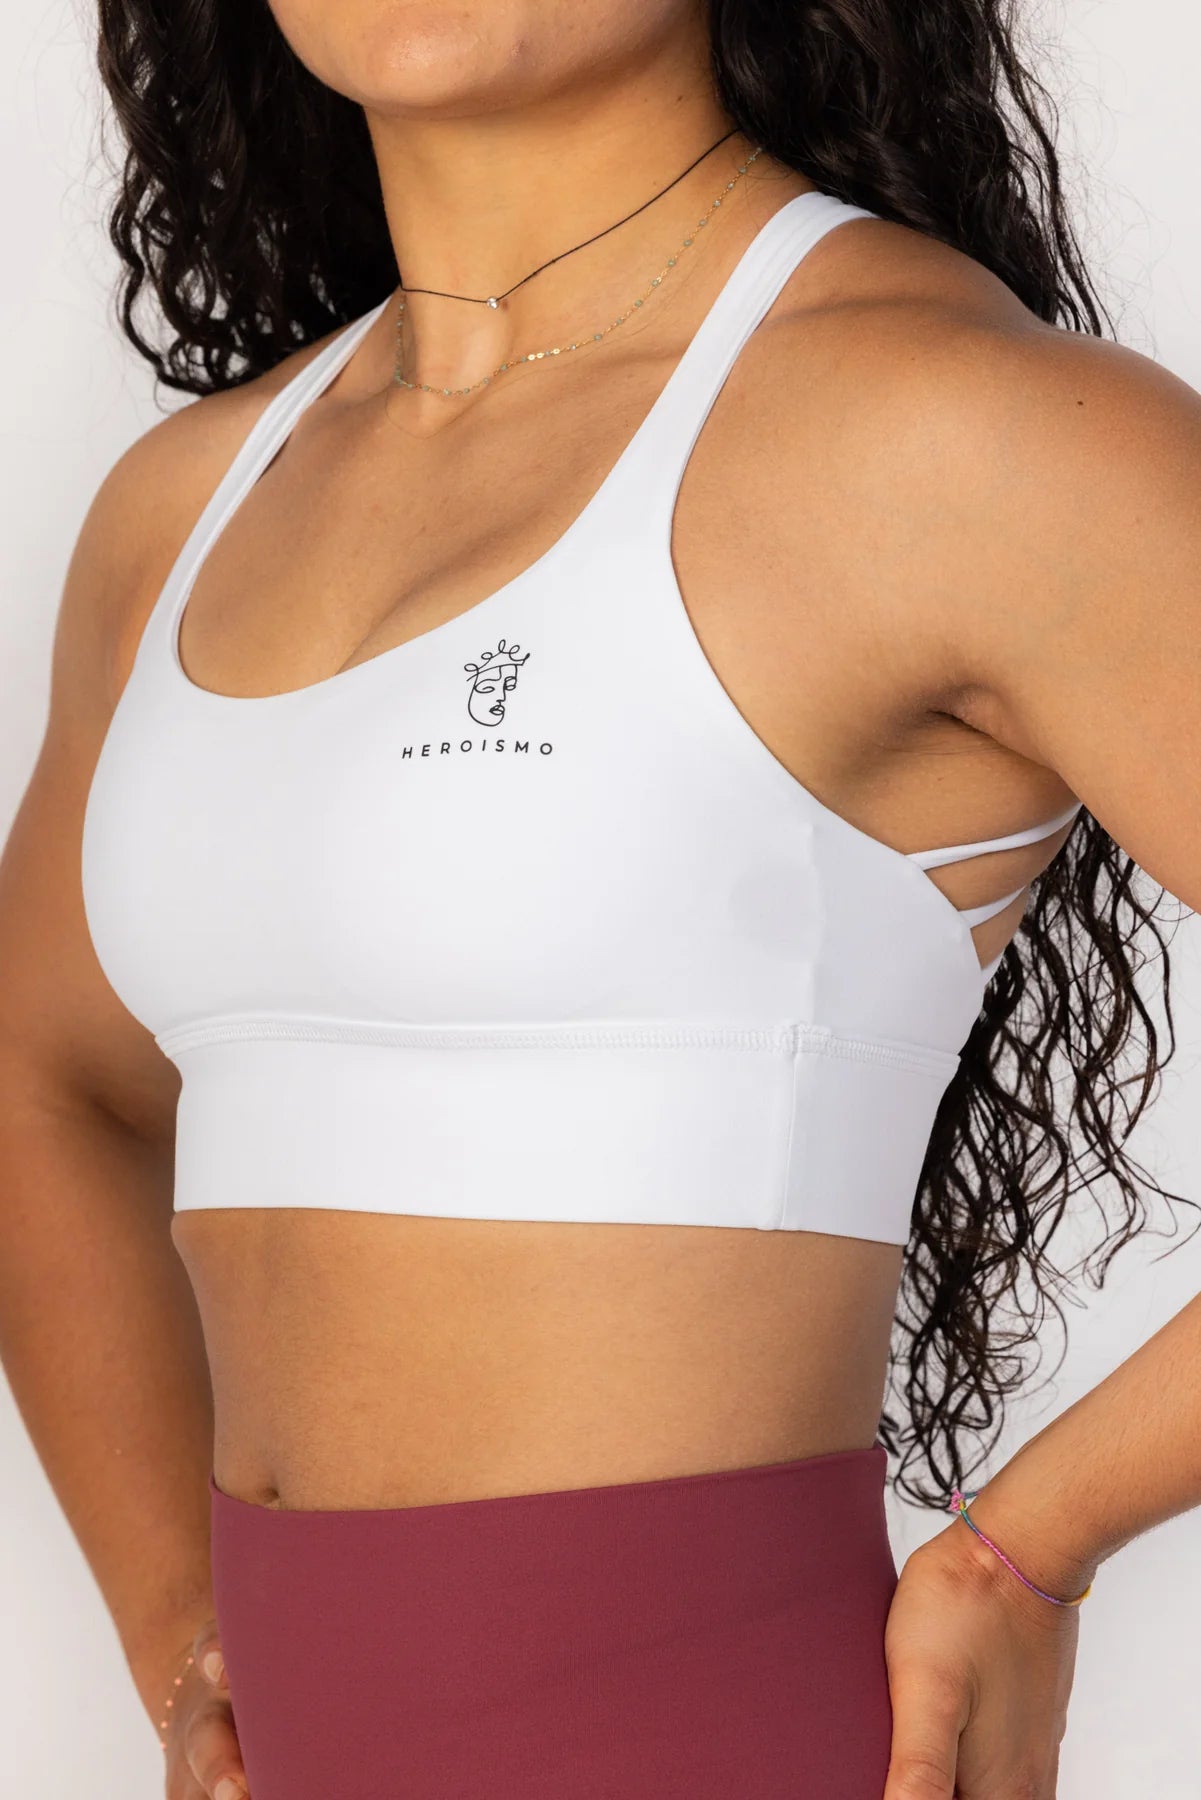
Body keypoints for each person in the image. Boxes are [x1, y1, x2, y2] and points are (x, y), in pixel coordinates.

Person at [1, 1, 1198, 1796]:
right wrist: (179, 1623)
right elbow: (48, 1078)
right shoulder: (182, 512)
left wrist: (1029, 1548)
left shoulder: (955, 428)